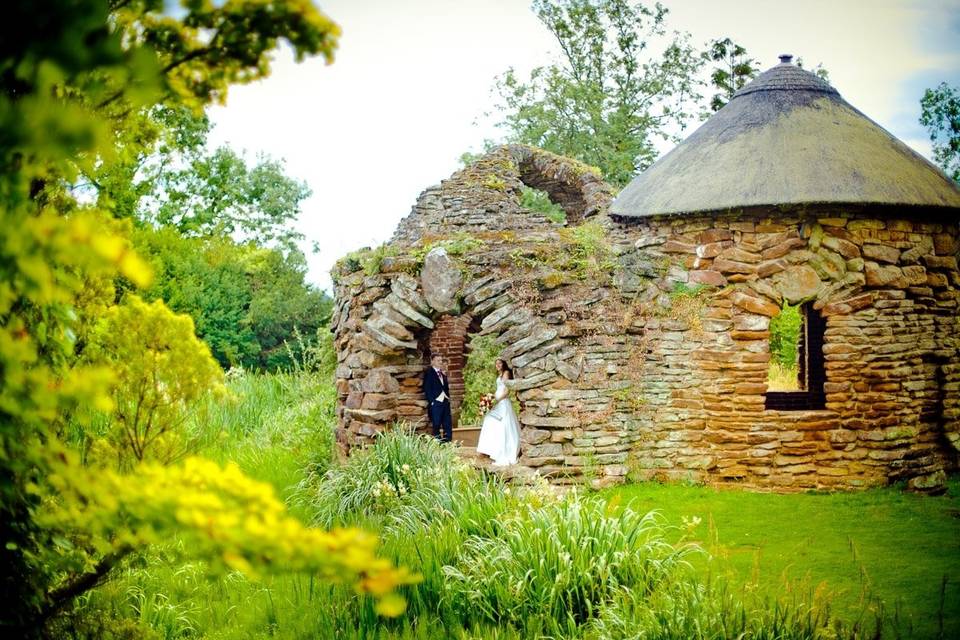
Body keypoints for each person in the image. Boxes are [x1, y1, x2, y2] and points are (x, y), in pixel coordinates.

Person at [476, 359, 520, 466]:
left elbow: (506, 391)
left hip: (503, 403)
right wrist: (489, 399)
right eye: (496, 364)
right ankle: (488, 450)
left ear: (503, 364)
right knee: (489, 420)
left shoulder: (506, 373)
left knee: (503, 425)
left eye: (500, 363)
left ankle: (503, 451)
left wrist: (497, 399)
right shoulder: (499, 374)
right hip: (497, 402)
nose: (498, 365)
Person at [423, 354, 452, 442]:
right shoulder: (429, 373)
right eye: (437, 360)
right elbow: (427, 388)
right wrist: (432, 401)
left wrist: (447, 397)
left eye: (441, 360)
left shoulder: (442, 373)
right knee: (436, 422)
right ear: (432, 361)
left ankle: (447, 440)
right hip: (436, 401)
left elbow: (445, 387)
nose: (440, 362)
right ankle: (438, 441)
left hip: (445, 401)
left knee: (447, 422)